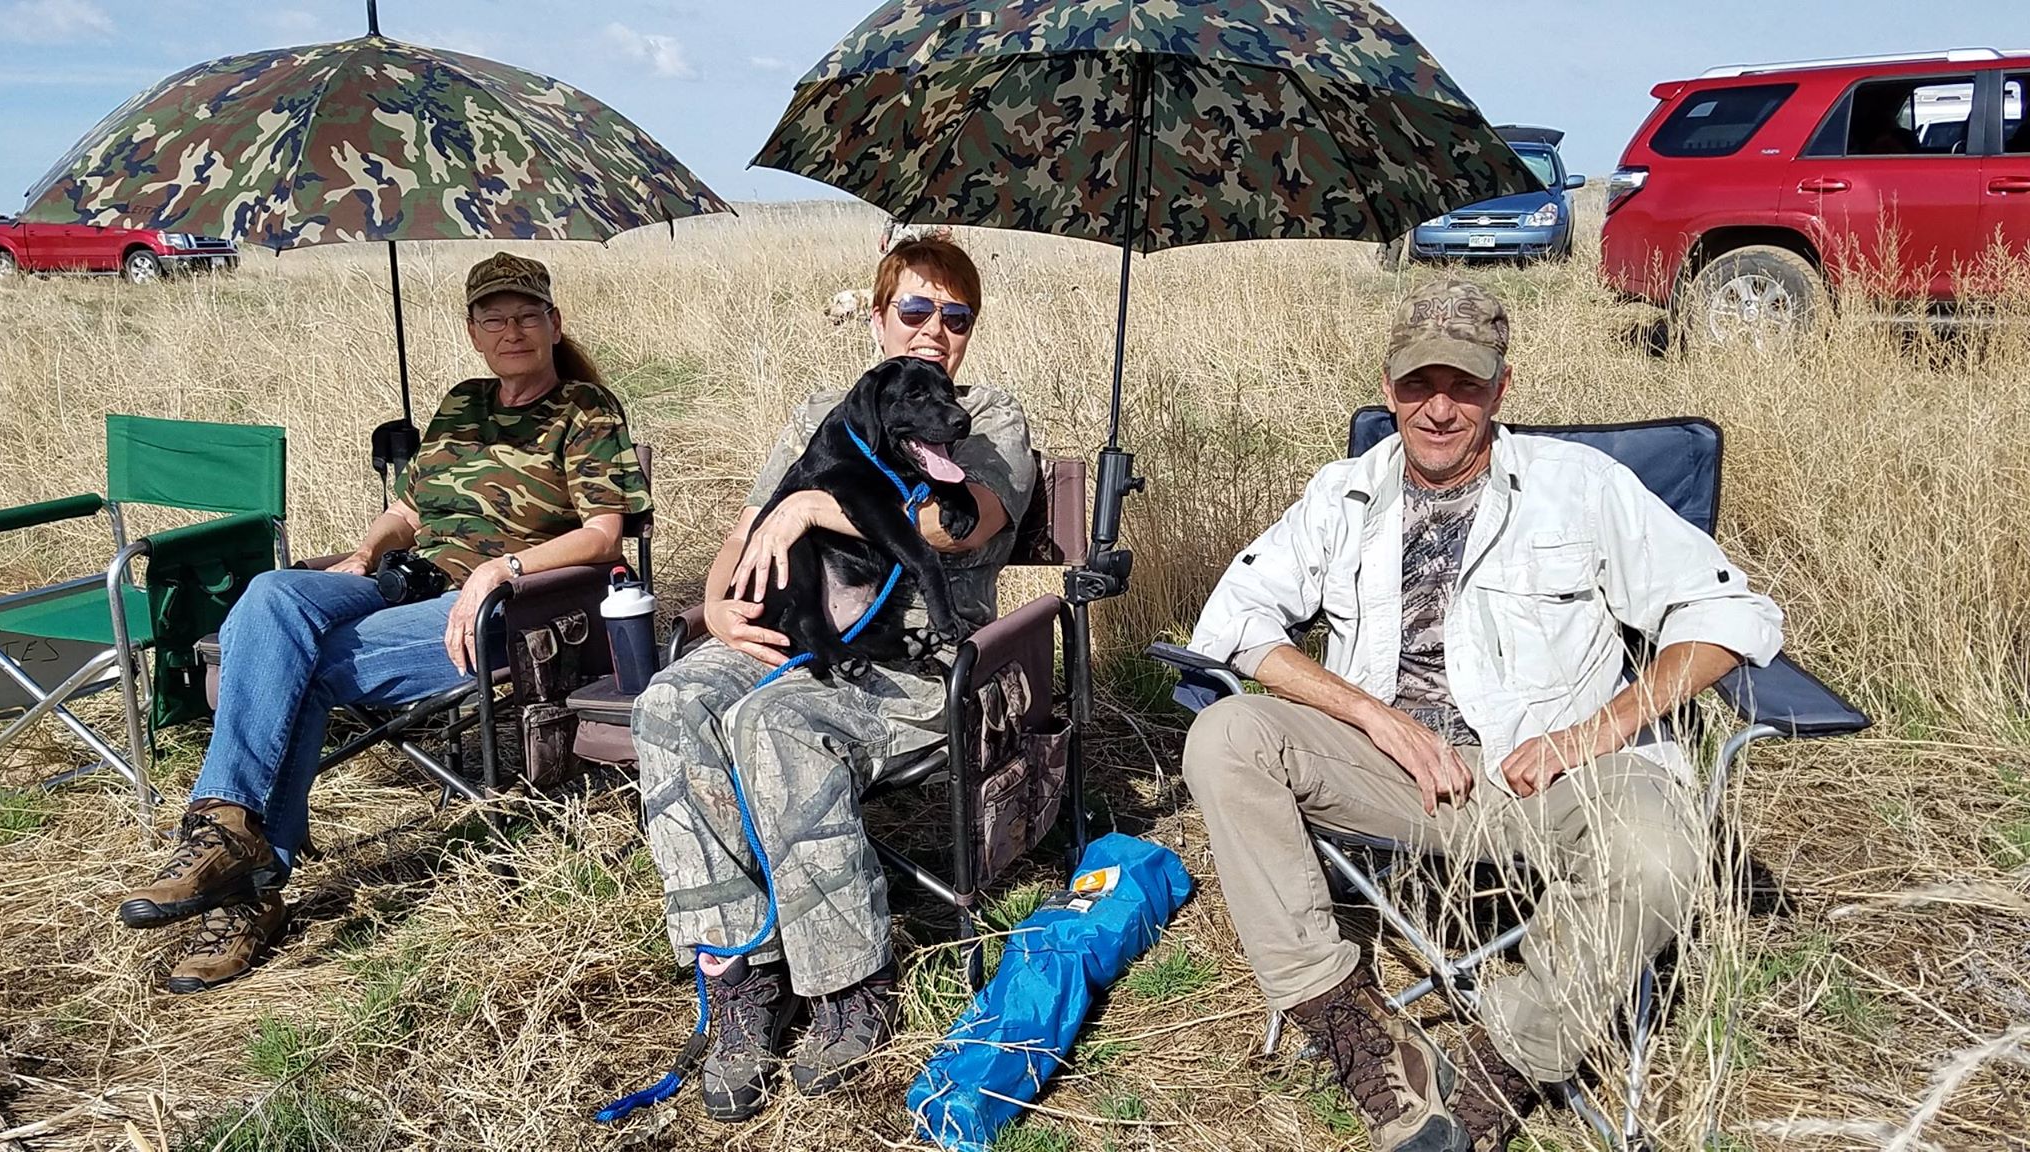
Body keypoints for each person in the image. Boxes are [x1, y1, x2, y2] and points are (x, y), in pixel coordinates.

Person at [1180, 279, 1783, 1152]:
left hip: (1554, 775)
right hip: (1394, 775)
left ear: (1502, 389)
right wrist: (1371, 716)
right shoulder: (1343, 493)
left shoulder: (1581, 487)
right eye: (1418, 385)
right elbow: (1232, 622)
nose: (1437, 409)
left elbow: (1730, 614)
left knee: (1661, 849)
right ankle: (1351, 1031)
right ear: (1386, 389)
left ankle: (1497, 1065)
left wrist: (1596, 731)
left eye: (1464, 385)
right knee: (1225, 735)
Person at [115, 252, 650, 994]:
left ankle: (251, 887)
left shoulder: (586, 410)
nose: (513, 330)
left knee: (299, 664)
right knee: (272, 597)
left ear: (554, 324)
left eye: (528, 315)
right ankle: (230, 831)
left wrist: (503, 569)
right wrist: (366, 549)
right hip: (410, 581)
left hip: (510, 606)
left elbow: (601, 535)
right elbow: (409, 512)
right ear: (473, 332)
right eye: (494, 317)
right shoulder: (462, 403)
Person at [628, 237, 1037, 1123]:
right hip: (792, 622)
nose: (934, 332)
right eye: (916, 311)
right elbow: (748, 527)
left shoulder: (985, 416)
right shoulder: (825, 408)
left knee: (773, 724)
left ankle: (849, 984)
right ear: (881, 314)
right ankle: (741, 972)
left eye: (955, 317)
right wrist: (714, 603)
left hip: (921, 660)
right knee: (670, 704)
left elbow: (963, 526)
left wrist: (820, 505)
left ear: (970, 332)